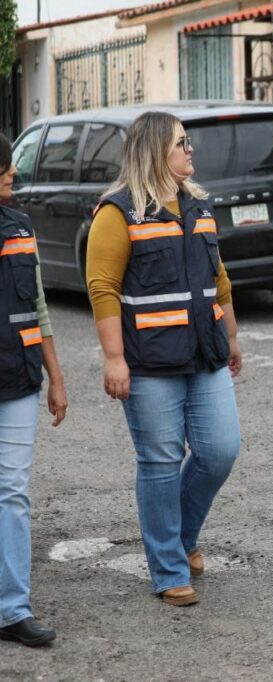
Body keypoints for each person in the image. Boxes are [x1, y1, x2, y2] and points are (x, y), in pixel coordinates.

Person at [86, 112, 242, 606]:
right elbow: (102, 288)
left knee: (220, 451)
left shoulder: (198, 204)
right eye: (181, 143)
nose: (190, 151)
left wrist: (232, 338)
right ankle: (169, 569)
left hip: (206, 354)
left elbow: (220, 280)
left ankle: (182, 536)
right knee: (159, 461)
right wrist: (115, 358)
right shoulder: (118, 213)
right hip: (150, 362)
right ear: (155, 151)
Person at [0, 134, 67, 647]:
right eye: (3, 166)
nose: (11, 174)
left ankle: (12, 609)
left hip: (19, 379)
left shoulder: (20, 226)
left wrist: (57, 377)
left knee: (13, 493)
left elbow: (39, 306)